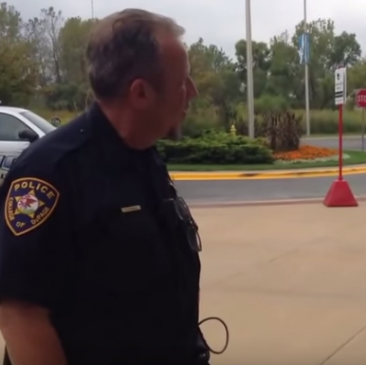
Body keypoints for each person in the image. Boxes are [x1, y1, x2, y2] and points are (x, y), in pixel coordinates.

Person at [0, 9, 209, 365]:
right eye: (181, 82)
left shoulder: (145, 156)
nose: (193, 92)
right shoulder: (50, 175)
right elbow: (21, 312)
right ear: (140, 93)